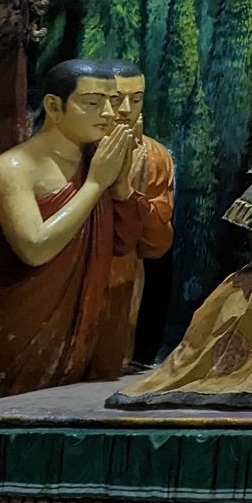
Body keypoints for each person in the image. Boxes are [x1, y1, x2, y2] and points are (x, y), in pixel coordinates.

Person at [0, 59, 139, 406]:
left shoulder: (99, 160)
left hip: (79, 321)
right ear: (54, 106)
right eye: (92, 102)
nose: (109, 112)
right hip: (19, 323)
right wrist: (96, 184)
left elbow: (125, 244)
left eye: (112, 102)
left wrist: (120, 188)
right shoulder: (14, 168)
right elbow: (34, 248)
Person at [90, 59, 174, 380]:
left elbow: (157, 244)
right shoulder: (74, 148)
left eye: (136, 99)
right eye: (115, 99)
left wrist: (131, 193)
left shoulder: (153, 156)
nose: (125, 109)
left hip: (125, 272)